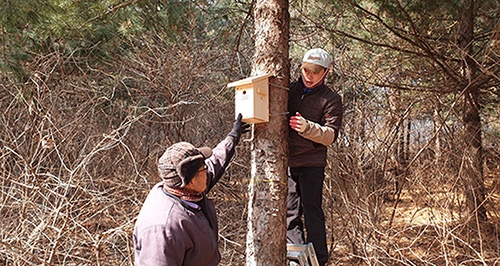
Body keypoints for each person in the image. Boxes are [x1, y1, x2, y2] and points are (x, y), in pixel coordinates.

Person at [133, 114, 249, 266]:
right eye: (203, 168)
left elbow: (216, 162)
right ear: (191, 181)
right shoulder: (162, 229)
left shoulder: (185, 190)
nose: (208, 171)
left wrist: (233, 137)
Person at [287, 48, 343, 266]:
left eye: (315, 71)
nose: (309, 76)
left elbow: (330, 136)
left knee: (312, 211)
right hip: (288, 162)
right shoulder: (289, 89)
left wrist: (307, 128)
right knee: (290, 212)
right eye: (306, 70)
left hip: (312, 163)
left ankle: (319, 260)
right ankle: (297, 258)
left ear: (326, 72)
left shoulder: (331, 99)